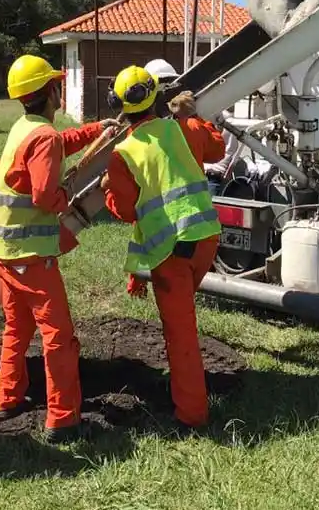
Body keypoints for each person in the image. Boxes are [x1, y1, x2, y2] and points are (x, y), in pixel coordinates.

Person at [0, 54, 118, 444]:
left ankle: (6, 398)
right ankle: (62, 419)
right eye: (56, 84)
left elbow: (59, 143)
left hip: (4, 253)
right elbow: (46, 196)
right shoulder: (42, 136)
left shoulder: (25, 128)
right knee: (59, 336)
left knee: (17, 328)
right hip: (30, 257)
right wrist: (66, 193)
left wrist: (97, 130)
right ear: (50, 92)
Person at [100, 64, 223, 432]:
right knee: (183, 323)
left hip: (173, 250)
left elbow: (124, 211)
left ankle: (191, 415)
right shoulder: (180, 127)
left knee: (180, 332)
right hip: (205, 237)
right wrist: (193, 113)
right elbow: (212, 147)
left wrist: (109, 186)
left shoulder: (123, 153)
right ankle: (189, 393)